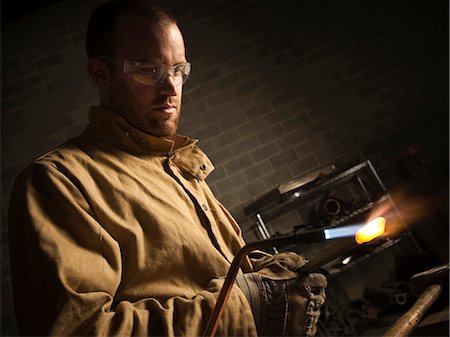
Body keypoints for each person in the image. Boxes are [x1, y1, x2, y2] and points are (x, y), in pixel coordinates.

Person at [8, 1, 326, 336]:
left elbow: (211, 277)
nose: (170, 88)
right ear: (100, 72)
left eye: (178, 70)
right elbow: (80, 330)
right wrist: (248, 304)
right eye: (149, 70)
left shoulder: (174, 162)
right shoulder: (59, 180)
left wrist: (267, 274)